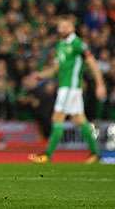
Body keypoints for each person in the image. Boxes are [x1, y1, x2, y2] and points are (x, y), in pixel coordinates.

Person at [28, 16, 106, 164]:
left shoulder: (78, 44)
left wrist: (100, 84)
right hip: (67, 88)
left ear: (72, 27)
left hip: (70, 87)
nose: (62, 28)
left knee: (57, 118)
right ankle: (95, 153)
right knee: (79, 120)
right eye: (60, 26)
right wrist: (40, 75)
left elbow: (91, 62)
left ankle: (47, 155)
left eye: (66, 26)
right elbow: (55, 69)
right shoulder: (60, 45)